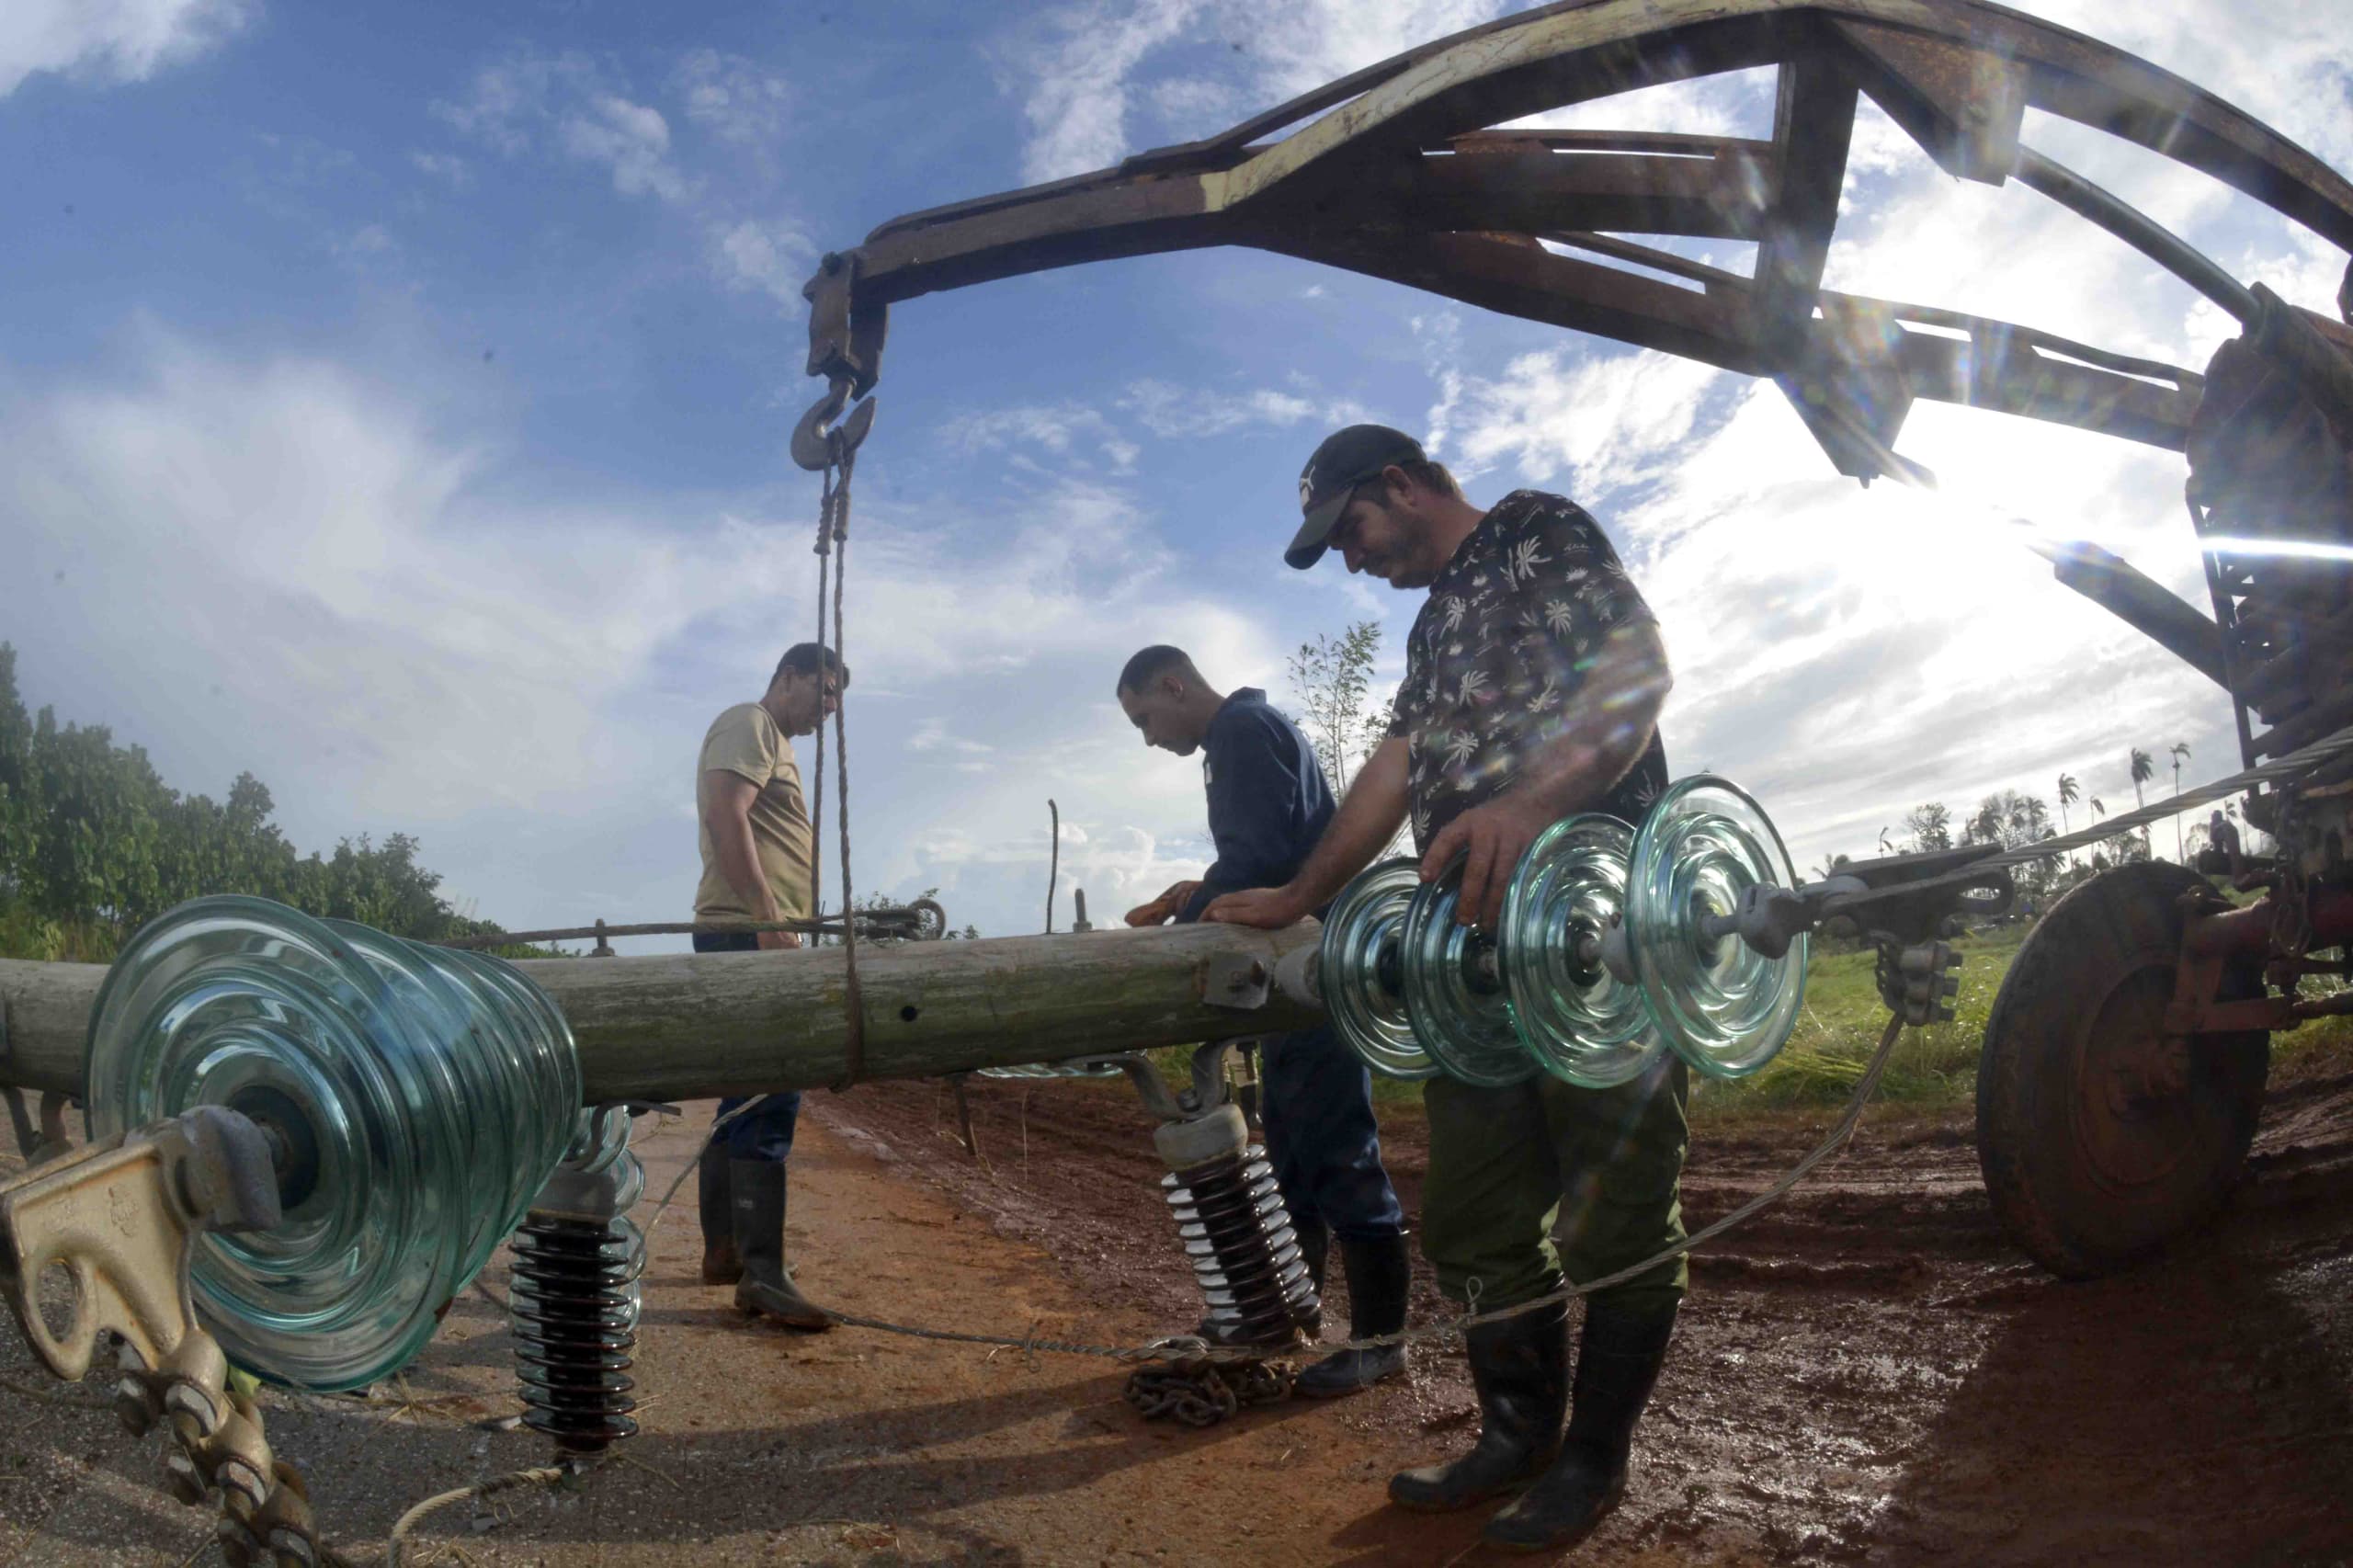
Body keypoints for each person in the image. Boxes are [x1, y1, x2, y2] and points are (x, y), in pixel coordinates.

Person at [1206, 425, 1683, 1554]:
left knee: (1615, 1214)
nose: (1351, 561)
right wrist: (1298, 894)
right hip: (1470, 965)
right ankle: (1516, 1432)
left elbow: (1639, 671)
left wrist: (1531, 806)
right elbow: (1395, 767)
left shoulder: (1534, 533)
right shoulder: (1432, 626)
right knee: (1472, 1218)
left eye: (1352, 530)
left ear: (1403, 484)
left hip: (1593, 939)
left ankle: (1591, 1460)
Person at [1116, 646, 1413, 1397]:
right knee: (1291, 1159)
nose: (1148, 739)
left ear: (1175, 685)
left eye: (1145, 717)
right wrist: (1190, 891)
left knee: (1340, 1152)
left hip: (1310, 973)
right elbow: (1269, 854)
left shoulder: (1242, 733)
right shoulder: (1241, 734)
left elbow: (1256, 861)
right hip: (1291, 977)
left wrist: (1181, 918)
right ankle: (1286, 1316)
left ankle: (1382, 1344)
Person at [691, 642, 847, 1332]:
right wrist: (765, 916)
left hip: (746, 930)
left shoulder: (773, 740)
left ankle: (727, 1252)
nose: (829, 709)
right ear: (789, 677)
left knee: (741, 1092)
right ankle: (762, 1274)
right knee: (771, 1091)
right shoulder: (751, 724)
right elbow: (726, 810)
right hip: (745, 931)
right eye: (825, 691)